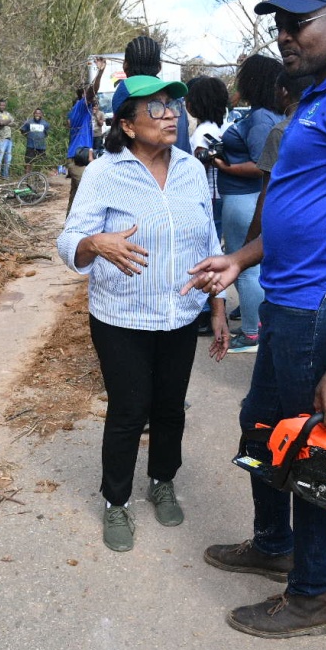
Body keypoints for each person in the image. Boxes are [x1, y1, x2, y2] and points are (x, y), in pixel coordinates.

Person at [182, 0, 326, 638]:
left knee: (308, 451)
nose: (285, 36)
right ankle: (273, 546)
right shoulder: (314, 94)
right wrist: (239, 259)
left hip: (323, 311)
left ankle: (311, 593)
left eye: (298, 23)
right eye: (279, 25)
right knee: (261, 425)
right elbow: (296, 202)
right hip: (288, 296)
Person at [57, 75, 229, 553]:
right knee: (130, 409)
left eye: (172, 104)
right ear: (128, 125)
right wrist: (96, 243)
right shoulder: (104, 172)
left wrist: (216, 306)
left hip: (181, 311)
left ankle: (162, 480)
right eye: (154, 108)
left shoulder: (192, 170)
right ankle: (116, 501)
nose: (170, 113)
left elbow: (209, 242)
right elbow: (69, 241)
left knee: (170, 406)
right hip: (121, 316)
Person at [207, 55, 283, 354]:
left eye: (243, 76)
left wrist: (224, 167)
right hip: (243, 198)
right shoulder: (261, 113)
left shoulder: (262, 117)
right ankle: (254, 326)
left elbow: (261, 165)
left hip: (245, 197)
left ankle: (252, 334)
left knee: (246, 268)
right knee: (249, 266)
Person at [245, 70, 313, 244]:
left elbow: (268, 192)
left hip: (289, 224)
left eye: (275, 89)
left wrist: (249, 240)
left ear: (283, 91)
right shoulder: (322, 123)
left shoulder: (281, 131)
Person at [185, 76, 229, 335]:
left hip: (209, 198)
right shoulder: (215, 127)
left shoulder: (203, 133)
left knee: (206, 255)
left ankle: (205, 312)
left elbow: (200, 165)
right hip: (218, 195)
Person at [66, 57, 106, 216]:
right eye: (89, 94)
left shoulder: (82, 111)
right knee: (89, 193)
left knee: (75, 197)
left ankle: (69, 229)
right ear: (83, 95)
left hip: (81, 157)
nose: (94, 98)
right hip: (77, 160)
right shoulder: (81, 107)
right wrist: (100, 71)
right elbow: (92, 91)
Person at [20, 108, 50, 173]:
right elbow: (22, 130)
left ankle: (39, 176)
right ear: (34, 114)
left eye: (39, 113)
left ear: (41, 114)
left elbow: (46, 133)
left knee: (41, 162)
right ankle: (27, 177)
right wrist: (28, 136)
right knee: (29, 161)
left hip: (41, 146)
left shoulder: (45, 123)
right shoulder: (29, 122)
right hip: (31, 145)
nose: (37, 115)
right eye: (36, 113)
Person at [0, 99, 15, 179]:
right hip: (0, 139)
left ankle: (5, 176)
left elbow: (14, 123)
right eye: (1, 105)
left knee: (8, 159)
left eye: (3, 105)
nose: (2, 106)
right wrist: (8, 121)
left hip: (8, 139)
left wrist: (5, 121)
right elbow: (0, 123)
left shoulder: (7, 113)